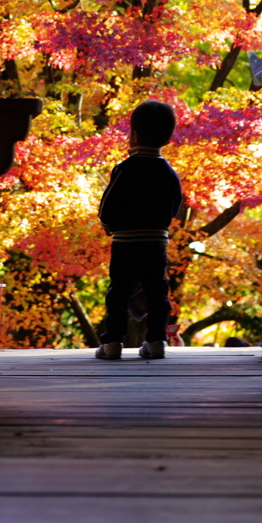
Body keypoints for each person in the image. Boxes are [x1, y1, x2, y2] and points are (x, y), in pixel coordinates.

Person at [96, 100, 182, 360]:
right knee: (157, 291)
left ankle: (113, 342)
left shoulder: (124, 169)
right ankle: (156, 340)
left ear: (133, 134)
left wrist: (110, 228)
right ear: (168, 139)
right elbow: (174, 208)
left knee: (119, 291)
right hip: (157, 242)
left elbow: (106, 210)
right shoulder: (169, 173)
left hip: (125, 242)